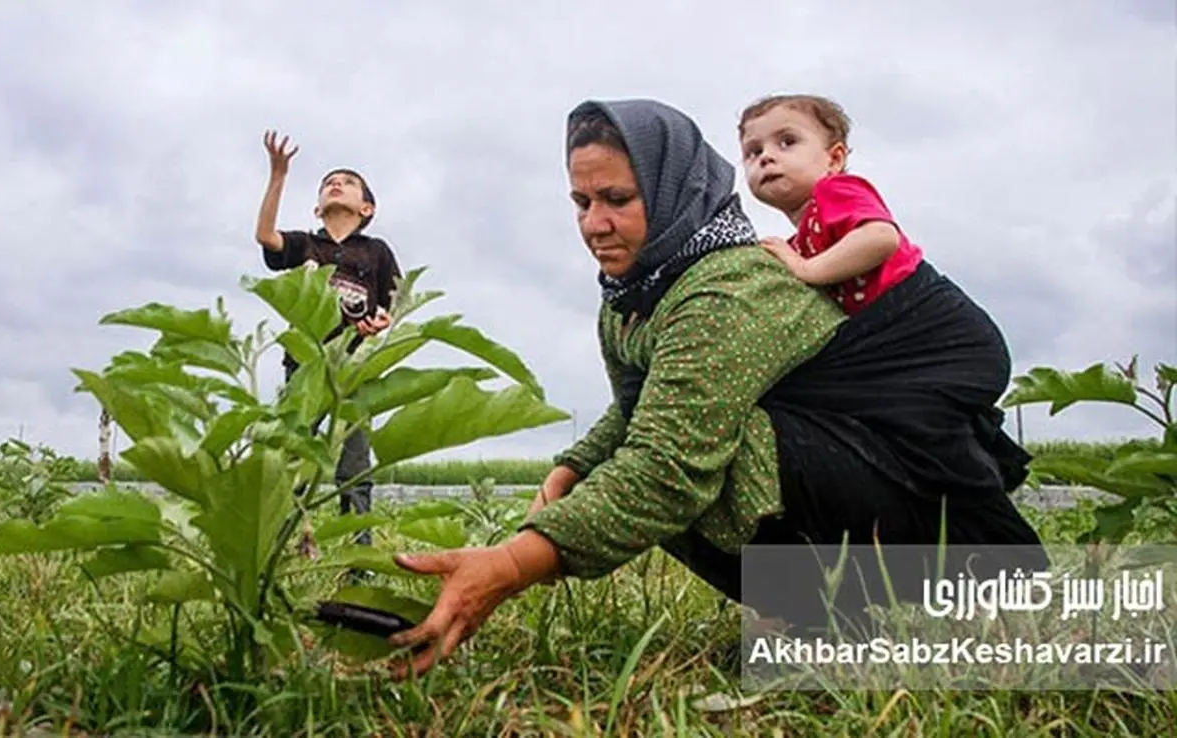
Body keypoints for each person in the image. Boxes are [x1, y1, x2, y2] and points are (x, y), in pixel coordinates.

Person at [381, 99, 1046, 680]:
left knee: (699, 462)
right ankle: (827, 622)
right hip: (840, 458)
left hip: (892, 473)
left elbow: (668, 463)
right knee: (633, 463)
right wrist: (572, 466)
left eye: (617, 199)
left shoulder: (726, 287)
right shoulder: (631, 296)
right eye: (582, 203)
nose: (594, 224)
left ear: (672, 190)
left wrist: (512, 564)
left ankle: (883, 606)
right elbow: (640, 403)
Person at [254, 130, 403, 550]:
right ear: (317, 207)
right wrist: (278, 174)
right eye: (328, 182)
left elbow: (395, 301)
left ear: (366, 207)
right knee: (289, 459)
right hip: (304, 368)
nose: (337, 183)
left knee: (353, 467)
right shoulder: (305, 245)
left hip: (352, 373)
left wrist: (381, 321)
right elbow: (266, 237)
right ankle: (279, 548)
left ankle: (359, 555)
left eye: (348, 182)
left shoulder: (375, 251)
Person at [737, 94, 920, 316]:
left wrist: (805, 269)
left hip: (923, 308)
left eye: (787, 142)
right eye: (754, 152)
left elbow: (881, 237)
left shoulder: (834, 190)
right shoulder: (798, 246)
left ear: (834, 159)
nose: (766, 157)